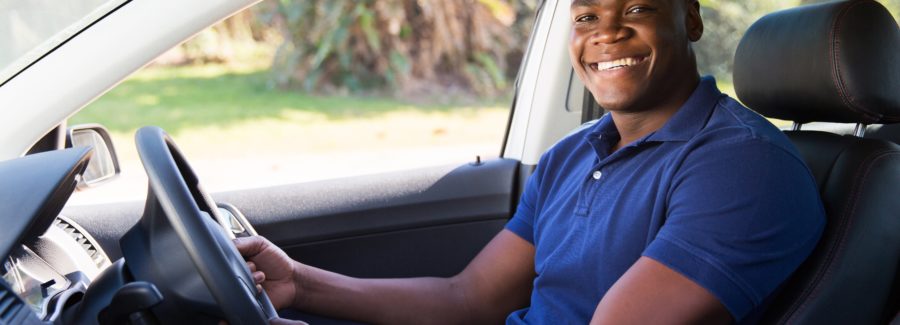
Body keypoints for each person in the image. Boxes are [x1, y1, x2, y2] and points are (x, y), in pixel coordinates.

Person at [236, 0, 825, 323]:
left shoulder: (743, 167)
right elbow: (469, 300)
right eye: (587, 17)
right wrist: (300, 284)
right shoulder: (574, 153)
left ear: (689, 19)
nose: (607, 34)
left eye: (637, 9)